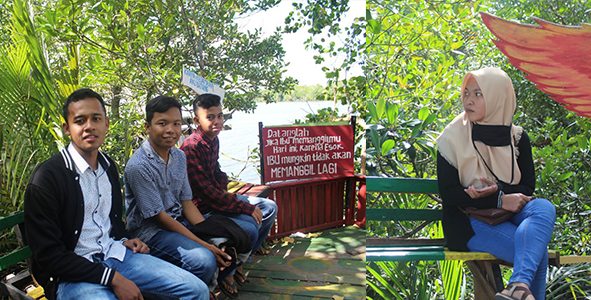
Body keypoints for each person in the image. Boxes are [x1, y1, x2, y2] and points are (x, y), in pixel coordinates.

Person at [24, 88, 208, 300]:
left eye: (96, 118)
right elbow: (48, 256)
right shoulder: (47, 178)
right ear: (67, 128)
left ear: (106, 123)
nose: (89, 126)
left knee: (196, 291)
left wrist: (125, 239)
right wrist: (112, 278)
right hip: (72, 275)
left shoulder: (107, 166)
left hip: (116, 254)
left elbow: (111, 221)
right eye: (80, 120)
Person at [437, 67, 556, 300]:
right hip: (468, 220)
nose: (468, 100)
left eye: (478, 94)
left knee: (544, 207)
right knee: (535, 252)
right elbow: (449, 195)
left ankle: (517, 286)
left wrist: (499, 190)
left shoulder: (517, 137)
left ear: (498, 97)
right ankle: (519, 286)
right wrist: (499, 199)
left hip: (509, 214)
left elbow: (527, 187)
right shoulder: (451, 139)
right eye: (466, 93)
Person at [125, 95, 245, 297]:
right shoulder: (139, 166)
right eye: (162, 123)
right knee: (204, 258)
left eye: (176, 123)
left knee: (228, 238)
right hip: (151, 232)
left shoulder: (179, 156)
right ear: (147, 126)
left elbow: (186, 202)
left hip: (179, 220)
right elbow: (159, 218)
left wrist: (206, 232)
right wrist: (204, 244)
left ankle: (207, 289)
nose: (171, 130)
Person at [180, 93, 278, 282]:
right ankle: (228, 272)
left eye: (220, 116)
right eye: (210, 117)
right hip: (202, 208)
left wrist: (225, 187)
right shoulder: (191, 147)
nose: (217, 121)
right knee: (250, 227)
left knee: (269, 207)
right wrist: (244, 207)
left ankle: (239, 262)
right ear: (196, 120)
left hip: (216, 199)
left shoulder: (212, 139)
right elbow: (206, 192)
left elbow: (216, 172)